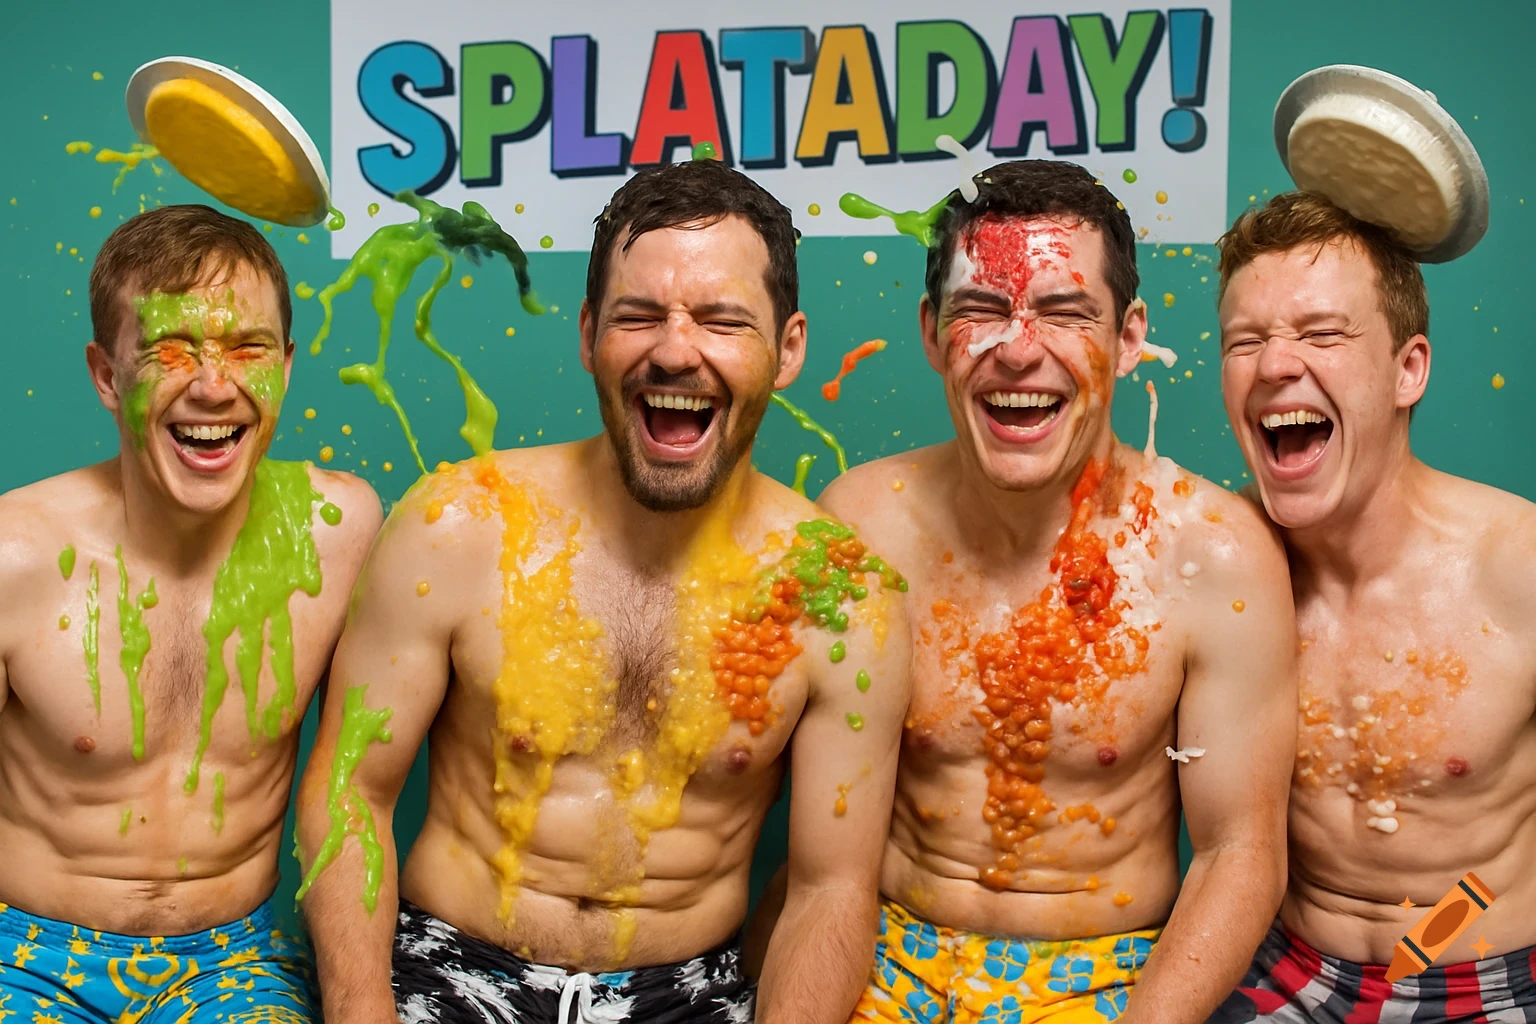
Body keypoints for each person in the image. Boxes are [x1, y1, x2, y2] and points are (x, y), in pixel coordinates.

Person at [296, 158, 912, 1024]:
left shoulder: (840, 597)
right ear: (588, 334)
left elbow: (830, 888)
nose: (674, 349)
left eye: (723, 320)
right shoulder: (461, 524)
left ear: (790, 349)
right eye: (638, 316)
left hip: (688, 995)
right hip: (446, 973)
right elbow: (350, 794)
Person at [807, 159, 1297, 1023]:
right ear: (931, 333)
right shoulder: (859, 527)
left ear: (1130, 337)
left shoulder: (1214, 556)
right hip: (885, 964)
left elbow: (1239, 854)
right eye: (982, 311)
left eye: (1067, 312)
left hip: (1113, 984)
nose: (1020, 349)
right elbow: (823, 870)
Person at [0, 205, 381, 1024]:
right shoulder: (13, 555)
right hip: (23, 960)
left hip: (234, 964)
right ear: (108, 375)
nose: (215, 386)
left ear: (286, 363)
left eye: (247, 350)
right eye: (172, 351)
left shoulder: (338, 532)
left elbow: (352, 796)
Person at [1209, 192, 1536, 1020]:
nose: (1276, 365)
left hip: (1490, 982)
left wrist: (1445, 926)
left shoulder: (1518, 565)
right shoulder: (1218, 564)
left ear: (1407, 370)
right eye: (1245, 341)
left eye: (1322, 334)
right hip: (1285, 973)